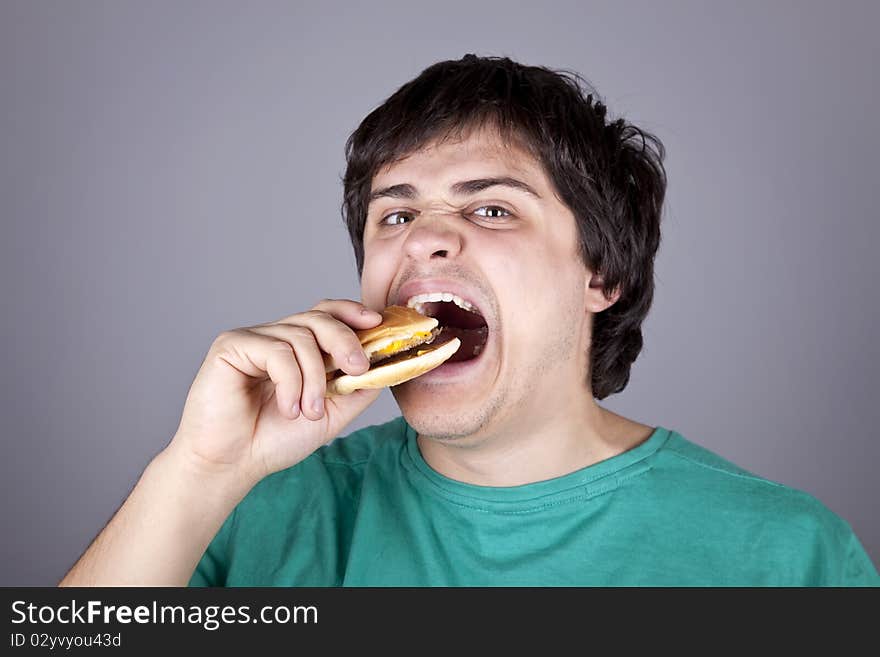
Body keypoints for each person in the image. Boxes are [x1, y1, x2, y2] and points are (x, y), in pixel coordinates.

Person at [60, 54, 878, 587]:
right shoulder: (258, 512)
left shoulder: (784, 555)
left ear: (605, 274)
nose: (425, 239)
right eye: (394, 215)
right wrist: (198, 469)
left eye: (491, 209)